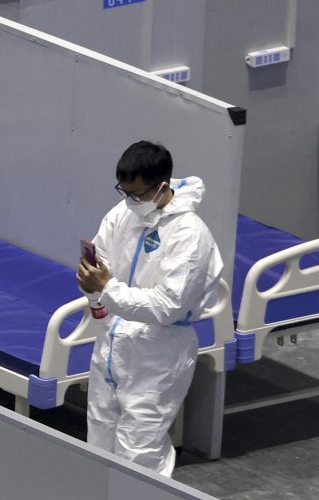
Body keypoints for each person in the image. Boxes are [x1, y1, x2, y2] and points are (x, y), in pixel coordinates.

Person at [72, 140, 225, 477]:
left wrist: (106, 289)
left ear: (162, 187)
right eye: (124, 192)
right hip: (111, 345)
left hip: (158, 354)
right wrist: (93, 290)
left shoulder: (190, 236)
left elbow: (167, 307)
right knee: (97, 442)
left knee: (139, 454)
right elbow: (101, 264)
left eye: (137, 194)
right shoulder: (121, 214)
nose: (130, 201)